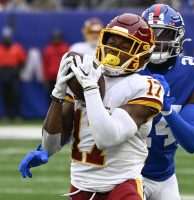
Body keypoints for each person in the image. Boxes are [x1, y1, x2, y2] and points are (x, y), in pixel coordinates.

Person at [19, 13, 164, 200]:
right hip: (80, 187)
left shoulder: (144, 86)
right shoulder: (84, 74)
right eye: (111, 43)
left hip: (121, 186)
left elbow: (107, 138)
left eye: (125, 46)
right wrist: (57, 95)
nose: (114, 51)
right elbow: (52, 143)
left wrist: (90, 88)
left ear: (142, 53)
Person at [140, 4, 194, 200]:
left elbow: (192, 142)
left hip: (165, 176)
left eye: (164, 35)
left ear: (178, 37)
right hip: (126, 174)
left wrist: (167, 111)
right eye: (152, 34)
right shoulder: (127, 69)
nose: (157, 42)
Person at [0, 26, 26, 120]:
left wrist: (16, 70)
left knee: (15, 96)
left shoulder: (17, 48)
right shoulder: (0, 48)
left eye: (8, 37)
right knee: (5, 96)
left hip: (14, 76)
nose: (6, 39)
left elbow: (23, 62)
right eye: (5, 37)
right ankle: (7, 115)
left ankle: (17, 115)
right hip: (3, 76)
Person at [43, 28, 69, 96]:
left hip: (63, 77)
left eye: (58, 37)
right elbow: (45, 64)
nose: (56, 39)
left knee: (64, 96)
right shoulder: (48, 49)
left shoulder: (66, 48)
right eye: (55, 37)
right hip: (51, 78)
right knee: (51, 96)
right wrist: (46, 77)